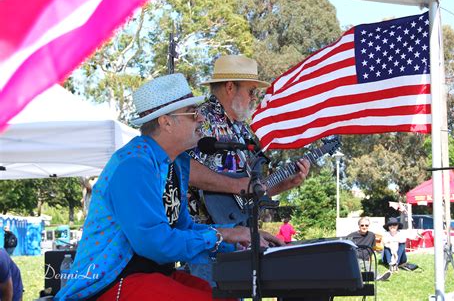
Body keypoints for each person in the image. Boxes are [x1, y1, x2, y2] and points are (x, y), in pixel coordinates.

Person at [55, 73, 283, 301]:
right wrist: (224, 235)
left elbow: (181, 228)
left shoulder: (177, 163)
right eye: (193, 113)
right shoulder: (134, 165)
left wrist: (242, 236)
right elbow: (154, 243)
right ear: (166, 122)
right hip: (109, 281)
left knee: (226, 296)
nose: (201, 118)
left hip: (149, 274)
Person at [187, 55, 310, 283]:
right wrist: (237, 185)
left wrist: (285, 184)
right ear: (230, 87)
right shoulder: (200, 119)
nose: (254, 98)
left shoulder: (243, 131)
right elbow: (185, 168)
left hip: (242, 238)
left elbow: (249, 193)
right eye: (251, 91)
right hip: (205, 238)